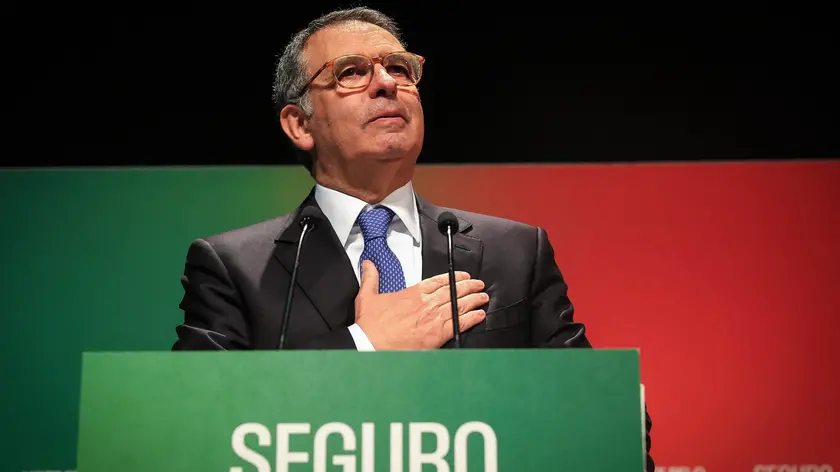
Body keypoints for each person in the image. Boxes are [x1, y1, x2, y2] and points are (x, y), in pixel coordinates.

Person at [171, 6, 653, 470]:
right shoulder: (234, 266)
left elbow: (598, 412)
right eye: (351, 72)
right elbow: (194, 421)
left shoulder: (514, 251)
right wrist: (364, 345)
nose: (386, 83)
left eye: (400, 68)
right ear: (299, 124)